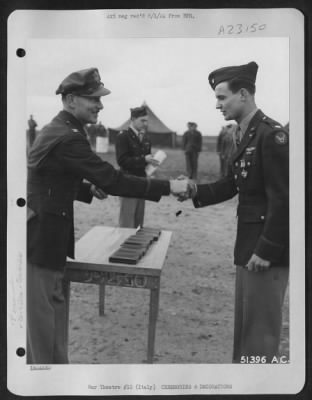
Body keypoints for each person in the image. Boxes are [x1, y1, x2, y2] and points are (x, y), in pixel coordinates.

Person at [27, 67, 188, 364]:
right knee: (43, 325)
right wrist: (169, 186)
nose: (100, 105)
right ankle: (45, 383)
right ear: (72, 99)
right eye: (93, 98)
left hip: (45, 235)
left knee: (51, 314)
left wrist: (85, 188)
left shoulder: (61, 129)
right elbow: (113, 180)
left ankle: (54, 376)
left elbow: (49, 176)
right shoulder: (68, 137)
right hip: (41, 240)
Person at [183, 61, 289, 363]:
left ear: (243, 94)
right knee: (246, 332)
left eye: (221, 97)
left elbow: (283, 199)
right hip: (249, 247)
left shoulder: (272, 135)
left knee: (261, 336)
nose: (217, 105)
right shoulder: (242, 134)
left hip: (266, 253)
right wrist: (194, 190)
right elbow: (231, 184)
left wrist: (266, 250)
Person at [115, 105, 159, 228]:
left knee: (139, 222)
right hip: (127, 183)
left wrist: (150, 167)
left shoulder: (146, 139)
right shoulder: (123, 136)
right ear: (133, 119)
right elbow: (122, 161)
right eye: (142, 121)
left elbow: (144, 162)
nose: (145, 124)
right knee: (127, 223)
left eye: (146, 121)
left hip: (142, 183)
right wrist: (143, 159)